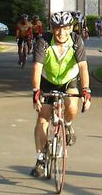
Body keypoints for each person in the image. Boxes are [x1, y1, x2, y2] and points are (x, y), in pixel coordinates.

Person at [29, 11, 92, 178]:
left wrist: (86, 90)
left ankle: (68, 125)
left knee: (72, 105)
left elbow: (83, 67)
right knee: (43, 118)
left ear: (71, 28)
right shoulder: (43, 42)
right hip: (47, 81)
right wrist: (36, 92)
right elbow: (37, 68)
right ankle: (41, 158)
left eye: (65, 29)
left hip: (68, 80)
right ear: (52, 28)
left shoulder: (76, 41)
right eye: (57, 28)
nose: (61, 33)